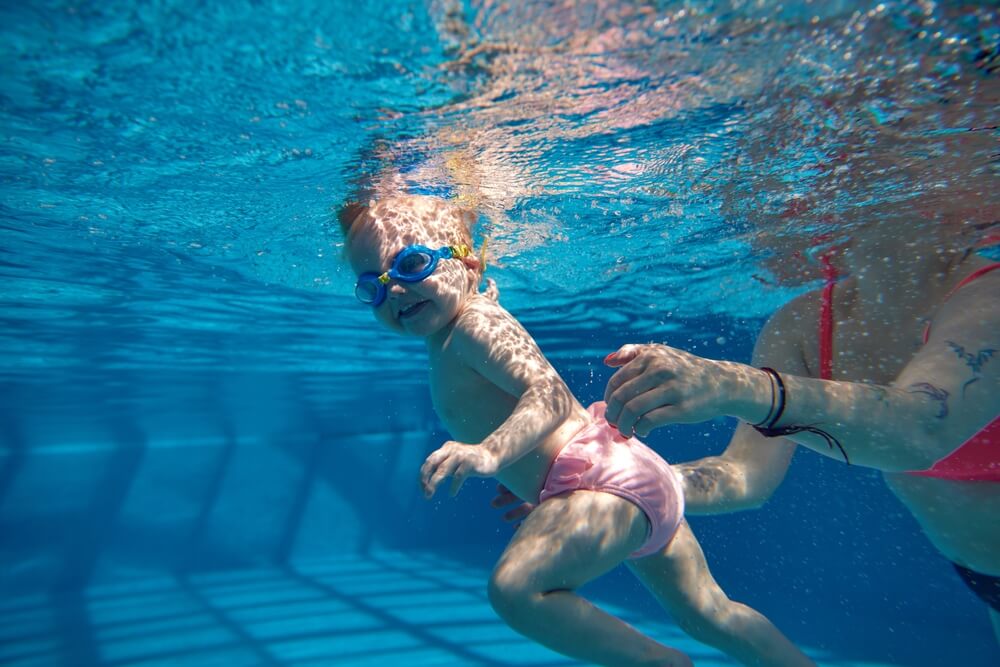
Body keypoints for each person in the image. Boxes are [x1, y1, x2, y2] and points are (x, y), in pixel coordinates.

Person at [340, 192, 815, 667]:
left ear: (466, 262)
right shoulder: (448, 336)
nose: (394, 291)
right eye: (373, 287)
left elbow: (545, 394)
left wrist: (489, 454)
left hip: (601, 481)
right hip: (612, 477)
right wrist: (532, 480)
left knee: (516, 589)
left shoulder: (473, 323)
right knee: (712, 615)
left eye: (411, 265)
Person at [595, 222, 1000, 643]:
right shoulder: (803, 325)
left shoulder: (990, 299)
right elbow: (746, 474)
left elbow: (916, 430)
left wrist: (731, 385)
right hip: (981, 576)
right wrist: (622, 484)